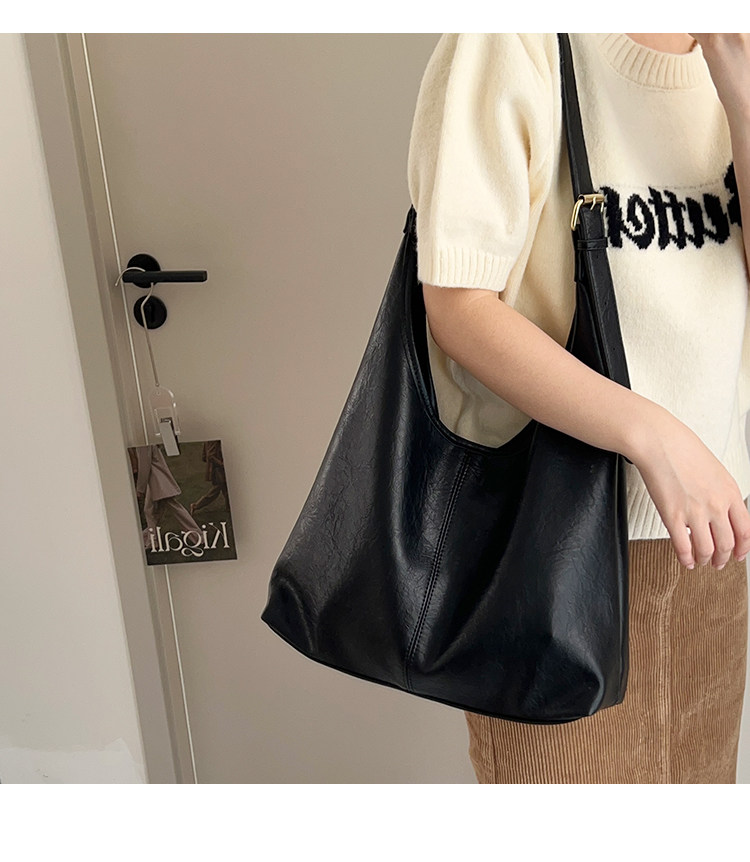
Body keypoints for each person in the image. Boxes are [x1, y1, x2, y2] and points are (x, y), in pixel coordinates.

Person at [407, 33, 750, 783]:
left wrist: (740, 85)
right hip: (556, 548)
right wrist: (653, 435)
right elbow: (460, 305)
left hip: (713, 545)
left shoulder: (731, 53)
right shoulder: (514, 36)